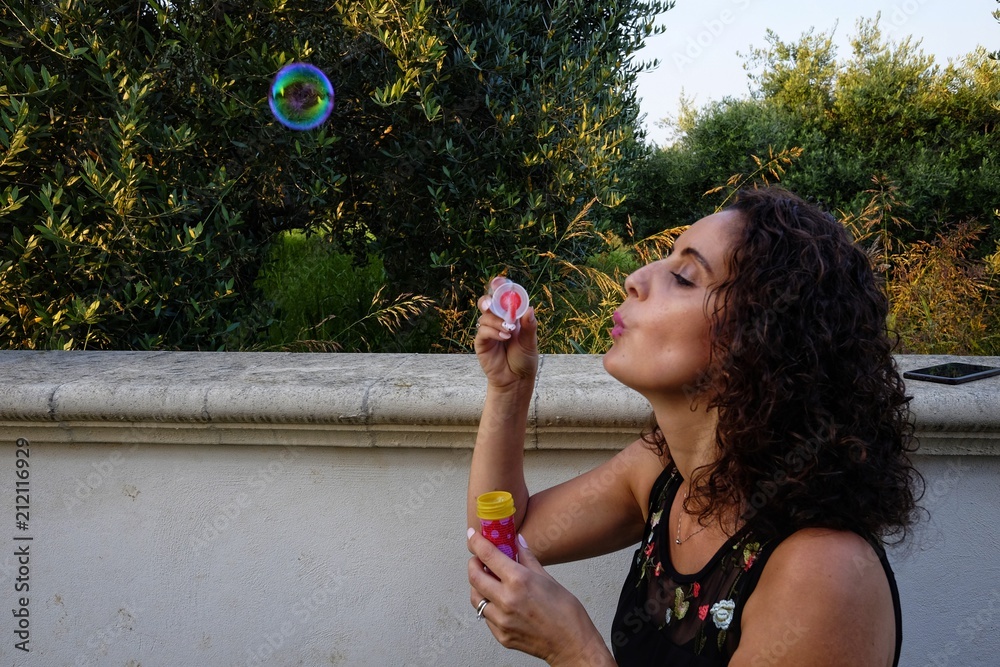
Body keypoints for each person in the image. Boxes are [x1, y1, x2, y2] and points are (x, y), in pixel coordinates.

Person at [466, 186, 921, 666]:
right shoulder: (664, 472)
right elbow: (500, 539)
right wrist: (510, 390)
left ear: (757, 341)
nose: (634, 278)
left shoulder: (824, 575)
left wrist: (574, 650)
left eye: (683, 277)